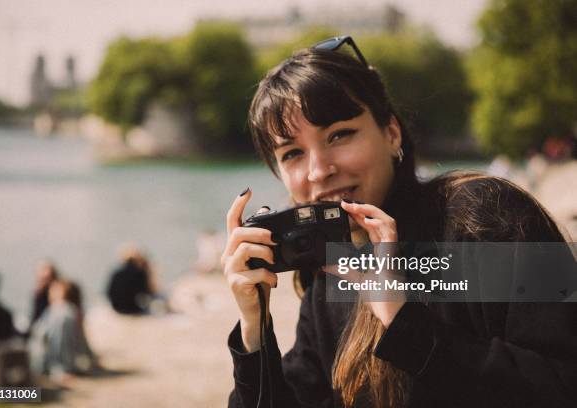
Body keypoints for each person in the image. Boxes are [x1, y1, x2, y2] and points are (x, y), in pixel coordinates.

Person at [222, 36, 577, 407]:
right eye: (293, 153)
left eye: (339, 134)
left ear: (391, 133)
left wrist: (404, 320)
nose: (318, 171)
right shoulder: (330, 273)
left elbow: (563, 384)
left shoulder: (486, 214)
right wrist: (254, 330)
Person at [29, 279, 96, 379]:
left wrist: (59, 370)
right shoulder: (73, 312)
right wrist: (91, 359)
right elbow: (82, 343)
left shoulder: (59, 312)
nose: (49, 292)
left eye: (52, 290)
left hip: (50, 364)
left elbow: (56, 341)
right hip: (70, 363)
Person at [107, 246, 155, 314]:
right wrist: (148, 271)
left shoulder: (117, 273)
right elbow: (149, 292)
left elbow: (108, 292)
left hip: (117, 307)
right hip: (132, 309)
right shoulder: (139, 273)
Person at [29, 260, 60, 332]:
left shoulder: (57, 299)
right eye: (41, 279)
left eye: (47, 279)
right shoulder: (38, 296)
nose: (44, 283)